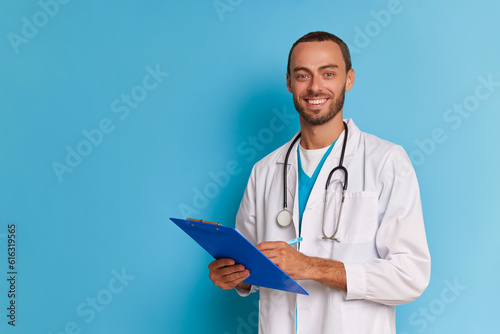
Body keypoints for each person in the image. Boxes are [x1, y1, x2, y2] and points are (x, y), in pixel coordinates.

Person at [208, 31, 431, 334]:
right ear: (289, 82)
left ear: (348, 79)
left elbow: (411, 275)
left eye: (328, 73)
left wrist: (310, 267)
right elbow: (252, 263)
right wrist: (235, 276)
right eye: (303, 75)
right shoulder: (264, 171)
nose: (315, 87)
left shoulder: (386, 161)